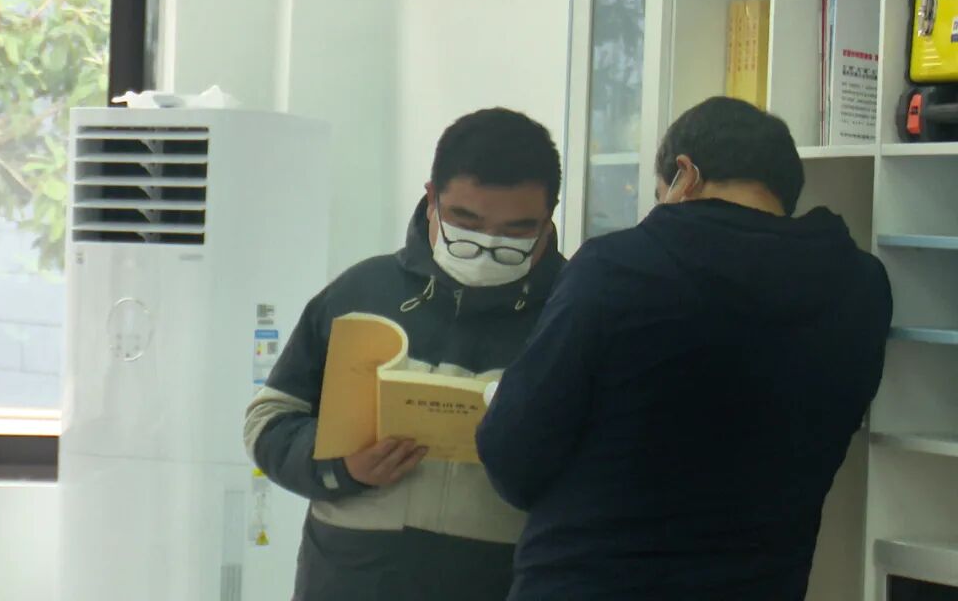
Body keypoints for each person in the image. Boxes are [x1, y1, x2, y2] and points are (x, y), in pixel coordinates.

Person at [476, 96, 893, 600]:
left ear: (685, 174)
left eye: (659, 193)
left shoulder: (617, 268)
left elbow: (513, 460)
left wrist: (505, 404)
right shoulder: (861, 290)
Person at [244, 108, 566, 601]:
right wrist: (342, 466)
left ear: (549, 216)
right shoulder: (361, 292)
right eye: (466, 222)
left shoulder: (573, 311)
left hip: (502, 579)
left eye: (516, 231)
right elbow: (268, 420)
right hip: (349, 579)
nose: (488, 245)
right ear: (431, 197)